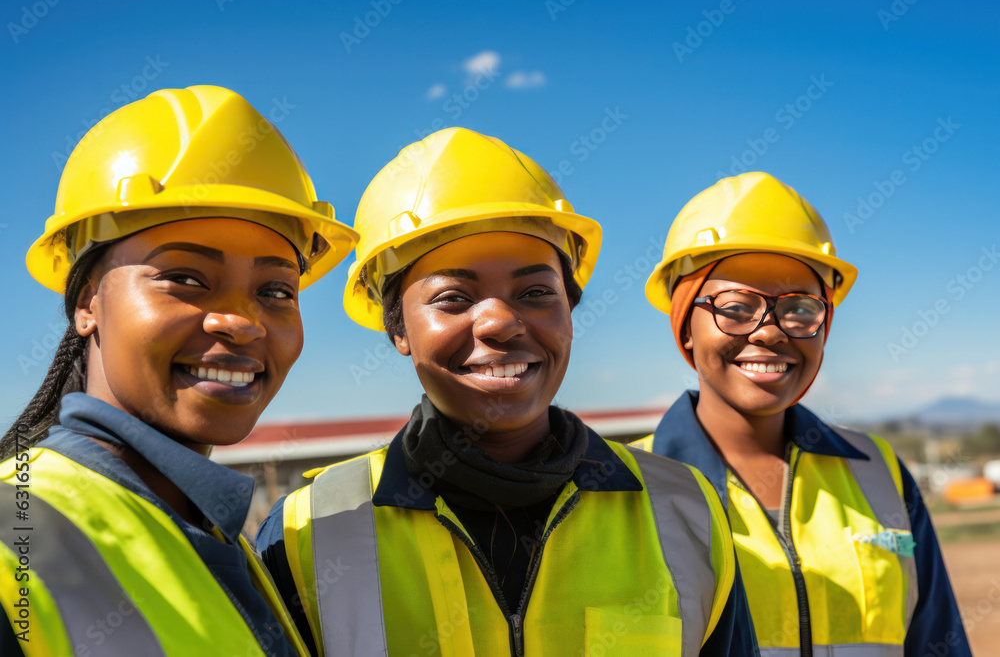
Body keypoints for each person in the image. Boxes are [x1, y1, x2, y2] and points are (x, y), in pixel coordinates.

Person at [257, 127, 759, 656]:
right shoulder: (310, 532)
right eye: (453, 297)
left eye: (536, 292)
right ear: (398, 329)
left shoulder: (684, 511)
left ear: (569, 310)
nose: (499, 322)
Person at [0, 86, 358, 656]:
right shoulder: (15, 539)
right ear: (87, 303)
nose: (243, 324)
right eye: (186, 279)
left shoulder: (219, 539)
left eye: (275, 290)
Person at [634, 171, 970, 655]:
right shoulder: (631, 491)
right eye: (736, 306)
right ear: (686, 325)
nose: (771, 332)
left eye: (800, 308)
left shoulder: (880, 473)